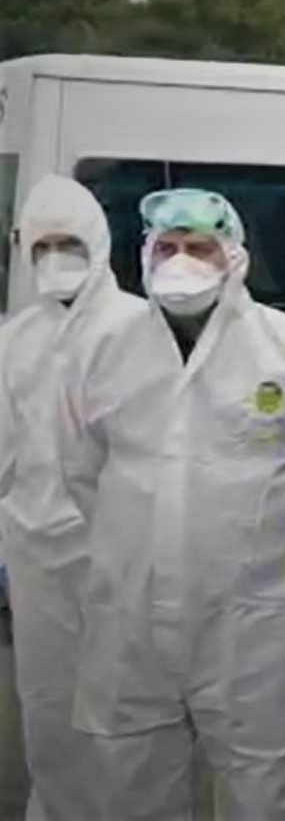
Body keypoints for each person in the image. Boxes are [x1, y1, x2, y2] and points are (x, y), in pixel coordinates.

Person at [59, 187, 285, 821]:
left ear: (234, 257)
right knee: (130, 784)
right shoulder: (104, 347)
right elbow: (81, 470)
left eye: (199, 248)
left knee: (263, 789)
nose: (181, 261)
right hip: (130, 615)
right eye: (167, 247)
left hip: (253, 624)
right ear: (144, 254)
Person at [0, 177, 144, 821]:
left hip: (123, 557)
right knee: (48, 705)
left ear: (99, 243)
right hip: (36, 557)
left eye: (70, 244)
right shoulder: (16, 339)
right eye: (43, 247)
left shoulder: (138, 329)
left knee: (127, 712)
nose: (56, 259)